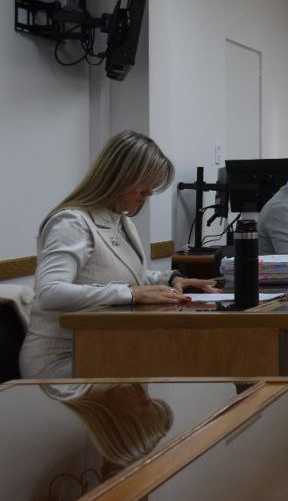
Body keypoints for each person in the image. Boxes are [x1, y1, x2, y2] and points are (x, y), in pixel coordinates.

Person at [19, 131, 217, 379]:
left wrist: (171, 279)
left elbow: (120, 274)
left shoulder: (120, 221)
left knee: (180, 358)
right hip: (64, 357)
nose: (150, 193)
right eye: (144, 184)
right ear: (119, 177)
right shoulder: (72, 222)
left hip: (104, 346)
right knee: (169, 365)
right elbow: (50, 292)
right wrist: (132, 294)